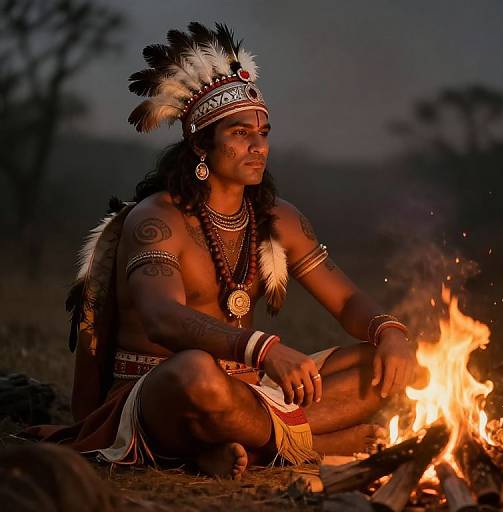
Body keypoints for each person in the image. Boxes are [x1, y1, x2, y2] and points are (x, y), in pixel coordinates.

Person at [41, 22, 416, 479]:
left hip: (250, 392)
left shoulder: (280, 219)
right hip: (163, 392)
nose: (259, 147)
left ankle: (242, 444)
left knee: (391, 367)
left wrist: (390, 332)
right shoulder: (157, 220)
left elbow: (349, 301)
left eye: (264, 133)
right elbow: (161, 316)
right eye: (240, 134)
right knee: (197, 373)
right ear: (201, 144)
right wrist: (263, 349)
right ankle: (309, 442)